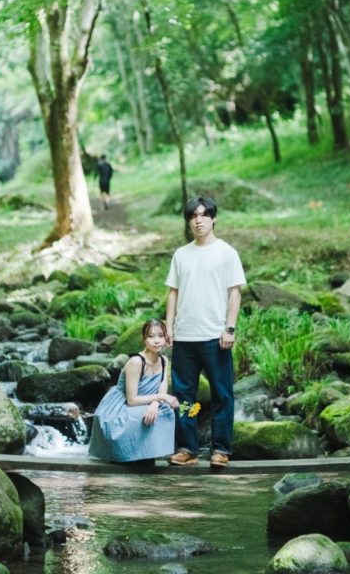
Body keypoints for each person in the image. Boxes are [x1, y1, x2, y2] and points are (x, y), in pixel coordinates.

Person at [165, 196, 246, 469]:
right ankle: (188, 449)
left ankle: (221, 449)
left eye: (203, 215)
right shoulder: (181, 254)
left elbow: (234, 293)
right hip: (184, 337)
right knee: (185, 397)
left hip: (215, 337)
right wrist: (169, 325)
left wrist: (229, 328)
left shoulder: (227, 253)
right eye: (193, 216)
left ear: (213, 218)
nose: (198, 220)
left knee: (222, 394)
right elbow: (173, 292)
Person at [88, 319, 179, 463]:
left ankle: (147, 453)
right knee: (144, 414)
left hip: (147, 401)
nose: (157, 341)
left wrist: (155, 404)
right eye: (151, 336)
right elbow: (132, 400)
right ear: (144, 339)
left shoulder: (163, 360)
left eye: (161, 336)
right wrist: (161, 397)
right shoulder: (136, 362)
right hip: (121, 406)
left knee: (166, 411)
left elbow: (162, 389)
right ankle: (129, 454)